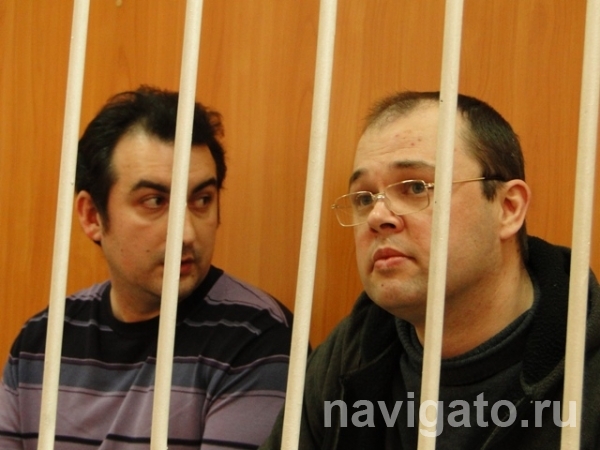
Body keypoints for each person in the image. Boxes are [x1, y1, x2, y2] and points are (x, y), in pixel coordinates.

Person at [260, 91, 600, 449]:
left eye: (416, 187)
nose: (377, 216)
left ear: (508, 208)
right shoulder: (354, 350)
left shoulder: (587, 367)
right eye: (363, 198)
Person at [0, 86, 293, 450]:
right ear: (92, 216)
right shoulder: (42, 341)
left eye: (202, 200)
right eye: (154, 201)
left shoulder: (257, 338)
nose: (187, 233)